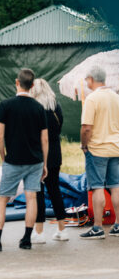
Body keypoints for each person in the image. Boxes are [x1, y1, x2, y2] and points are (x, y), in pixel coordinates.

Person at [0, 68, 48, 251]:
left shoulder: (6, 105)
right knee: (32, 198)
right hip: (35, 161)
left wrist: (4, 157)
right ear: (32, 86)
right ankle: (26, 239)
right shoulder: (39, 108)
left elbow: (0, 137)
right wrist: (45, 163)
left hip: (13, 160)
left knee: (2, 199)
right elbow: (45, 139)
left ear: (17, 83)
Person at [80, 66, 119, 239]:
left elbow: (87, 128)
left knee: (97, 187)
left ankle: (97, 227)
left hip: (97, 149)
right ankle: (118, 225)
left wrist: (84, 145)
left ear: (90, 79)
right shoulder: (116, 97)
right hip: (116, 148)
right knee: (116, 187)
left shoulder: (92, 99)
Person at [30, 79, 69, 243]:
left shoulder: (33, 109)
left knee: (38, 192)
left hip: (38, 153)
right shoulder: (55, 107)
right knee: (55, 190)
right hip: (55, 153)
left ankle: (39, 232)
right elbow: (59, 128)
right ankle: (62, 229)